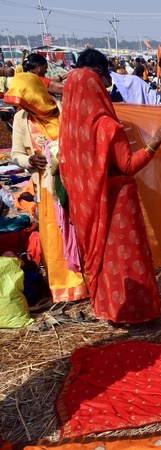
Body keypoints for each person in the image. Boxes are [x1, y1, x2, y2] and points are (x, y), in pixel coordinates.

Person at [59, 48, 161, 324]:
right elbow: (129, 165)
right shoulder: (106, 126)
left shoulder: (71, 130)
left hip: (90, 206)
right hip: (119, 204)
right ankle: (139, 314)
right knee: (128, 259)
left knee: (108, 260)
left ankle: (112, 311)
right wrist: (157, 139)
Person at [5, 72, 89, 303]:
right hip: (46, 186)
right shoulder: (21, 119)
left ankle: (90, 279)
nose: (23, 107)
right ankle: (66, 285)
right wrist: (30, 160)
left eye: (26, 101)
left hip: (76, 182)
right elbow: (16, 154)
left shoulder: (65, 110)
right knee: (54, 234)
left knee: (81, 229)